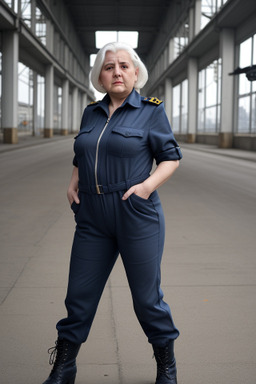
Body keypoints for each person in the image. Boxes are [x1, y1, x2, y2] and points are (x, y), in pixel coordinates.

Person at [42, 42, 182, 384]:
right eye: (109, 67)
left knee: (147, 299)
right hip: (91, 216)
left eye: (123, 66)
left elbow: (170, 157)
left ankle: (166, 367)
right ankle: (64, 367)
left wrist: (146, 188)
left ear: (135, 73)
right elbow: (83, 151)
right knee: (79, 295)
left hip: (134, 212)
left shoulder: (151, 111)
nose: (116, 72)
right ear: (100, 76)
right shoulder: (91, 112)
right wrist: (73, 182)